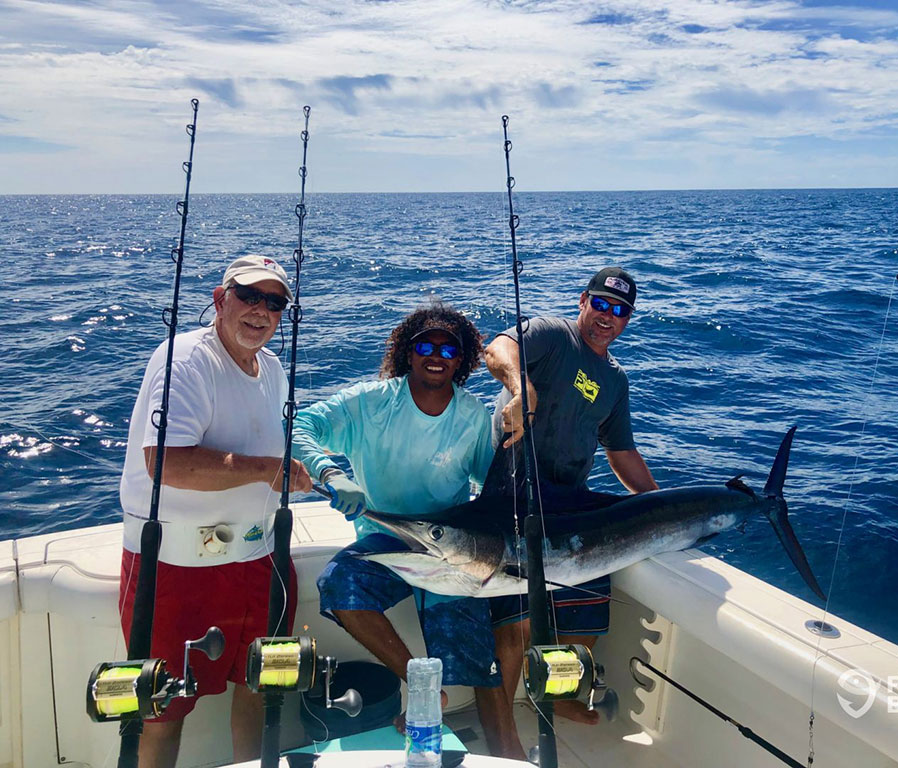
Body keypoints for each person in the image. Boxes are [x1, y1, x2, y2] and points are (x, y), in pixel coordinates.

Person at [119, 255, 313, 768]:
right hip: (177, 566)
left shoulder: (270, 366)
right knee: (161, 707)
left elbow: (271, 444)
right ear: (219, 298)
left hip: (261, 557)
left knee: (258, 689)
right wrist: (261, 469)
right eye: (250, 296)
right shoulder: (185, 358)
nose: (261, 311)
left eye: (275, 302)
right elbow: (164, 462)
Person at [290, 304, 508, 750]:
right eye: (425, 345)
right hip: (386, 539)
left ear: (462, 360)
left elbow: (492, 493)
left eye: (450, 349)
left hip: (451, 547)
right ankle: (420, 682)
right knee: (337, 584)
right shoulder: (372, 402)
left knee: (477, 659)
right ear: (408, 353)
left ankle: (507, 747)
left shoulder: (471, 417)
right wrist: (329, 473)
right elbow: (298, 425)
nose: (437, 355)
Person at [485, 266, 659, 754]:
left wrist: (660, 503)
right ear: (582, 300)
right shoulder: (551, 334)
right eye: (600, 304)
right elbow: (498, 349)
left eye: (619, 311)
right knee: (516, 624)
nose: (608, 317)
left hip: (568, 507)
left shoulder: (615, 380)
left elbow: (622, 454)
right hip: (511, 497)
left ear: (627, 320)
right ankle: (503, 741)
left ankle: (556, 696)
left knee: (585, 619)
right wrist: (521, 390)